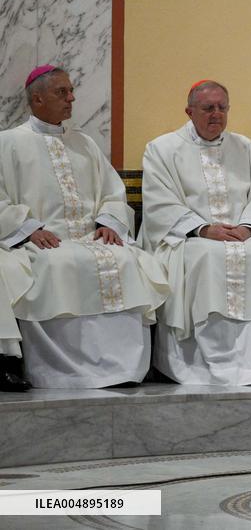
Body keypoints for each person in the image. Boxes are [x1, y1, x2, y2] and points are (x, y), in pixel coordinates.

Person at [0, 65, 169, 388]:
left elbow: (112, 192)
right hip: (42, 242)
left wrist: (108, 222)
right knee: (57, 263)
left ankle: (123, 370)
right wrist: (28, 228)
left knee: (124, 260)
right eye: (61, 92)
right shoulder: (7, 143)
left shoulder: (84, 143)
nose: (71, 98)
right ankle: (60, 373)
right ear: (37, 98)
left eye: (71, 90)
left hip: (90, 238)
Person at [140, 80, 251, 385]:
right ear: (189, 111)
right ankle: (203, 367)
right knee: (206, 257)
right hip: (191, 240)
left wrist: (248, 227)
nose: (216, 114)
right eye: (208, 108)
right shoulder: (162, 149)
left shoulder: (245, 147)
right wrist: (203, 229)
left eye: (222, 107)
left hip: (243, 236)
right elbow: (159, 203)